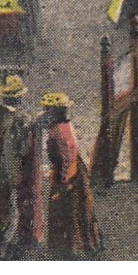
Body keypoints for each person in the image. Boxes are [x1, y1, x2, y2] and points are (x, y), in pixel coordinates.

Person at [40, 91, 101, 258]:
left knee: (70, 211)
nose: (45, 113)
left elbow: (70, 159)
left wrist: (65, 184)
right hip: (67, 172)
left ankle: (70, 249)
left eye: (48, 110)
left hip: (69, 176)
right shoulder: (61, 127)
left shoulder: (60, 131)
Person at [0, 74, 33, 259]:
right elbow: (23, 149)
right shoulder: (20, 119)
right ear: (17, 97)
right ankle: (4, 245)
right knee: (12, 207)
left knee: (0, 204)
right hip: (12, 170)